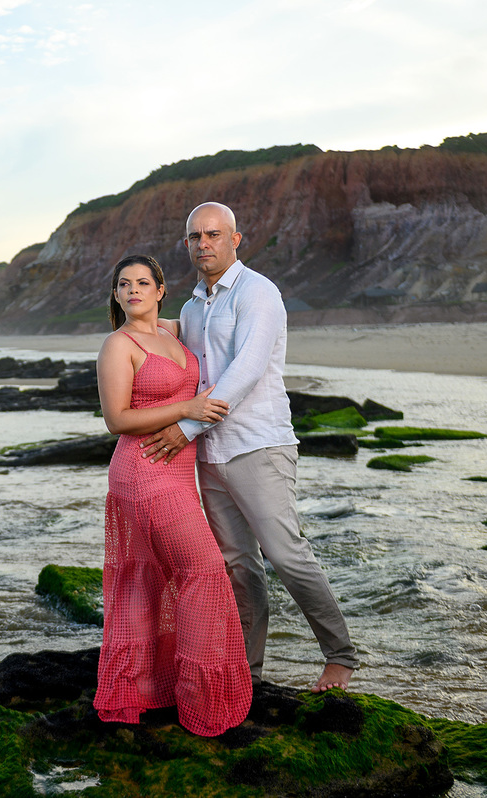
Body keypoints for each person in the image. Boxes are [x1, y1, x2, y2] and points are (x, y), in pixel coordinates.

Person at [142, 202, 360, 693]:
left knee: (286, 555)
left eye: (214, 235)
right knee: (238, 567)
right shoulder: (195, 305)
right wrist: (149, 325)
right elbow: (191, 356)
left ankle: (340, 657)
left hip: (258, 444)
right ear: (187, 245)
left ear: (236, 239)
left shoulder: (259, 293)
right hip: (211, 456)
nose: (204, 244)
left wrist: (185, 428)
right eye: (196, 236)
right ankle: (249, 672)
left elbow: (246, 369)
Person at [93, 254, 252, 737]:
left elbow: (217, 324)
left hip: (178, 472)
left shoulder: (172, 332)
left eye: (143, 282)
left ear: (161, 289)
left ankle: (144, 690)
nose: (134, 290)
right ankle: (201, 699)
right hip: (144, 471)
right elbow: (116, 420)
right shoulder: (117, 346)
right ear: (117, 295)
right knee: (203, 571)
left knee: (151, 579)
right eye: (125, 284)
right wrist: (188, 407)